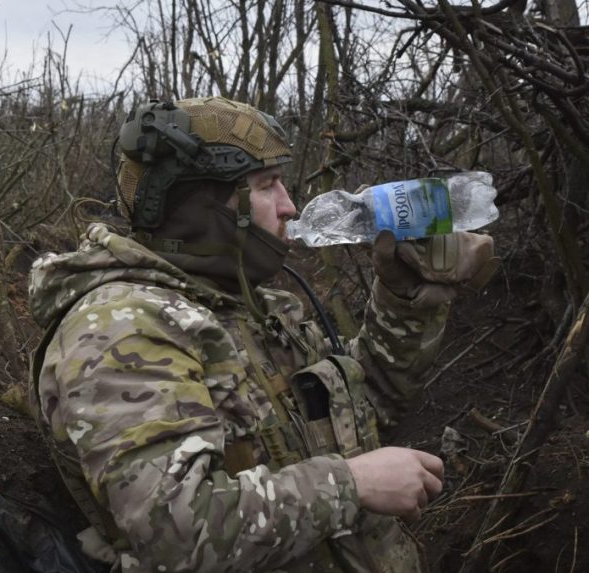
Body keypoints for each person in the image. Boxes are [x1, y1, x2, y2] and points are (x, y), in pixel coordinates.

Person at [27, 97, 500, 572]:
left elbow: (361, 410)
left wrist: (403, 300)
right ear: (205, 208)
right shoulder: (123, 328)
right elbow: (174, 532)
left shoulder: (249, 306)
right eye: (266, 186)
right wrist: (350, 484)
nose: (290, 206)